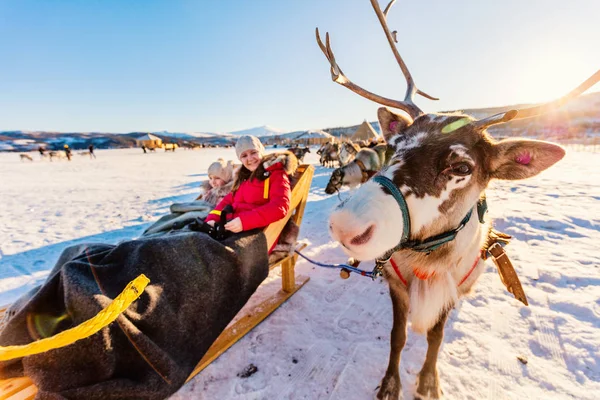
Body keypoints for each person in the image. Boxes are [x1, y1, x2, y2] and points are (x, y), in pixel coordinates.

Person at [204, 135, 297, 233]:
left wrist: (244, 222)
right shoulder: (244, 177)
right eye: (244, 155)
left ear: (261, 152)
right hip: (232, 226)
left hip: (258, 232)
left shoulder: (276, 174)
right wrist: (212, 218)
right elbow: (227, 200)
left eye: (253, 152)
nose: (250, 158)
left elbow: (279, 207)